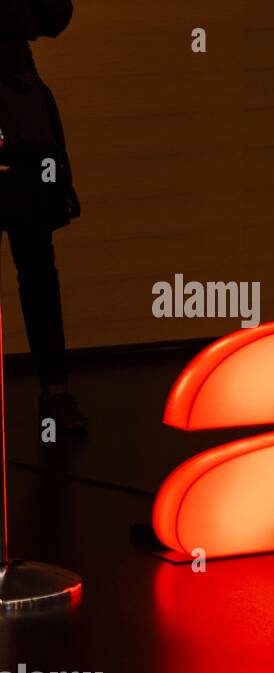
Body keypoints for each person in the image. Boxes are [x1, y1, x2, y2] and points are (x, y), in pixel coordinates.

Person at [0, 0, 83, 431]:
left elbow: (54, 16)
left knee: (36, 267)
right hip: (19, 114)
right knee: (37, 269)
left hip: (19, 123)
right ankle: (55, 393)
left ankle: (55, 390)